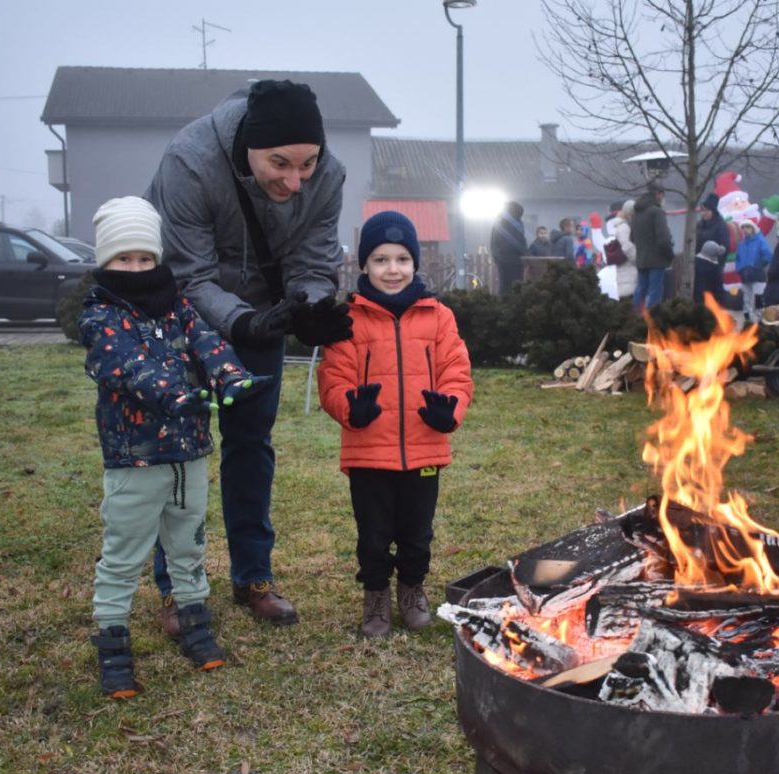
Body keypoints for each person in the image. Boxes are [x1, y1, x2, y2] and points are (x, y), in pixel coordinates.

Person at [146, 79, 354, 628]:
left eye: (307, 164)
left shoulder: (328, 174)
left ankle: (254, 576)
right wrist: (243, 322)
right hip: (183, 315)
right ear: (249, 147)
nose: (295, 180)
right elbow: (189, 274)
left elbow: (313, 260)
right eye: (280, 164)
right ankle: (176, 588)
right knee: (179, 452)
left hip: (264, 313)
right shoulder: (189, 163)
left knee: (251, 444)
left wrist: (310, 306)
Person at [79, 197, 265, 697]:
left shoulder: (178, 307)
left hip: (189, 455)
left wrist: (231, 375)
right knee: (123, 554)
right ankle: (113, 644)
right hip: (136, 460)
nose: (136, 267)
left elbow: (207, 343)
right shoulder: (101, 315)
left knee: (189, 545)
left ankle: (196, 624)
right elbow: (124, 364)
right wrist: (172, 392)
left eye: (144, 257)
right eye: (124, 258)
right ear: (106, 260)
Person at [317, 211, 473, 637]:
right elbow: (333, 378)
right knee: (373, 533)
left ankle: (411, 588)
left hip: (424, 447)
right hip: (369, 449)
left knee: (417, 532)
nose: (392, 269)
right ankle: (376, 595)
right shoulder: (349, 319)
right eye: (381, 259)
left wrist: (450, 409)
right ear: (364, 264)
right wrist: (351, 408)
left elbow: (457, 371)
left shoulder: (438, 316)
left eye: (402, 259)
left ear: (414, 263)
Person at [631, 184, 674, 313]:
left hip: (641, 259)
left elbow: (632, 237)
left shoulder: (637, 212)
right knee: (655, 292)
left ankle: (634, 317)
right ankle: (653, 319)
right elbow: (664, 239)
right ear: (658, 194)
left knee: (640, 290)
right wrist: (669, 255)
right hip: (657, 260)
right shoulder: (657, 212)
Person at [734, 219, 772, 323]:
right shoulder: (741, 243)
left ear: (753, 228)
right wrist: (739, 269)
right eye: (743, 228)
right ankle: (747, 318)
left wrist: (758, 266)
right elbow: (738, 258)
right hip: (745, 274)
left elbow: (768, 255)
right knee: (746, 297)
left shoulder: (760, 241)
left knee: (758, 296)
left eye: (748, 227)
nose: (745, 229)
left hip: (757, 274)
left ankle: (760, 319)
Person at [490, 201, 528, 293]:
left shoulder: (498, 221)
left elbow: (493, 241)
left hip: (501, 258)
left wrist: (496, 256)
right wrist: (526, 253)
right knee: (516, 285)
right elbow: (520, 240)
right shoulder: (517, 223)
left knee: (504, 284)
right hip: (515, 259)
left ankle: (502, 300)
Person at [609, 199, 638, 300]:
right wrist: (637, 259)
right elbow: (626, 246)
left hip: (624, 269)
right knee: (627, 296)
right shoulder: (624, 227)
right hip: (628, 268)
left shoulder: (619, 227)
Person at [694, 239, 727, 306]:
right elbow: (719, 290)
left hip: (695, 299)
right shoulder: (714, 269)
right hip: (708, 301)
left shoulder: (694, 263)